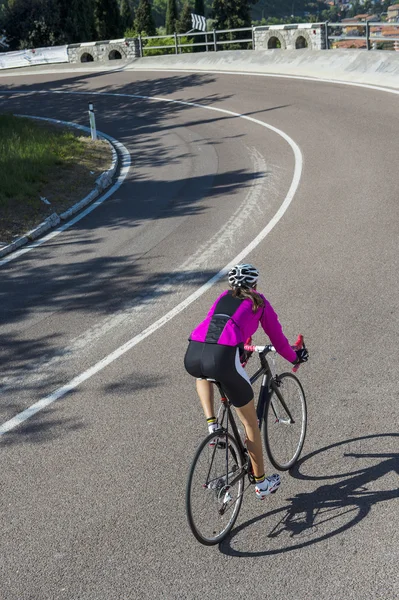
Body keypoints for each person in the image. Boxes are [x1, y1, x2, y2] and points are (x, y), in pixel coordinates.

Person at [184, 263, 308, 500]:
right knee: (251, 423)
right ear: (255, 284)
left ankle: (213, 425)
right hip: (222, 357)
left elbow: (223, 326)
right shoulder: (259, 302)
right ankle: (261, 484)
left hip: (194, 352)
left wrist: (241, 348)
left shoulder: (222, 297)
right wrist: (295, 356)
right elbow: (278, 340)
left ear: (232, 285)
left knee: (203, 374)